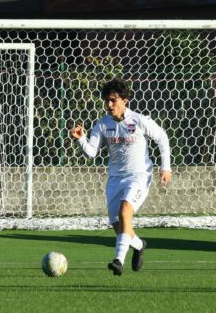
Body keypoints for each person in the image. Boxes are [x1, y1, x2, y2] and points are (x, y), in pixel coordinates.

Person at [70, 78, 171, 276]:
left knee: (126, 212)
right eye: (107, 101)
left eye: (113, 100)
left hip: (139, 175)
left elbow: (162, 138)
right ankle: (140, 245)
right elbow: (92, 152)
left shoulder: (139, 121)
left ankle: (118, 260)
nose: (109, 105)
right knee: (118, 225)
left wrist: (165, 167)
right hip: (115, 179)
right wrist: (81, 139)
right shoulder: (103, 124)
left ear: (125, 100)